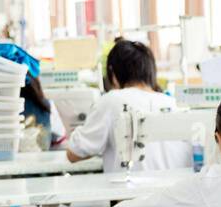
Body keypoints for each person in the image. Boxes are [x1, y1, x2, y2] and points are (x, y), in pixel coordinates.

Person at [65, 39, 190, 172]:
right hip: (173, 189)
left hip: (131, 191)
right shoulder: (173, 103)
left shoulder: (111, 101)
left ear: (113, 74)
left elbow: (74, 153)